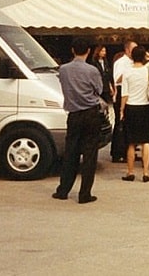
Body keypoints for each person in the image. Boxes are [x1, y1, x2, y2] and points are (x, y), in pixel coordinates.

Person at [53, 37, 105, 204]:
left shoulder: (63, 70)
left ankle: (63, 190)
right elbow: (99, 89)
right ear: (88, 51)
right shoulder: (92, 71)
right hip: (91, 113)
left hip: (74, 114)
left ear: (73, 50)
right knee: (90, 154)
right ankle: (85, 193)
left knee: (71, 153)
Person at [120, 46, 149, 183]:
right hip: (145, 107)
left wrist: (121, 110)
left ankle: (130, 172)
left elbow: (124, 94)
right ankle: (146, 172)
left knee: (131, 142)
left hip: (131, 107)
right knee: (145, 141)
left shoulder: (127, 72)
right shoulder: (147, 70)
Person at [110, 40, 137, 162]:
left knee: (129, 124)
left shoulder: (134, 62)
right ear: (127, 50)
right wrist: (129, 72)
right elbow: (117, 79)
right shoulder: (121, 62)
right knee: (120, 122)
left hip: (131, 93)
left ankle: (128, 151)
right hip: (122, 92)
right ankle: (117, 152)